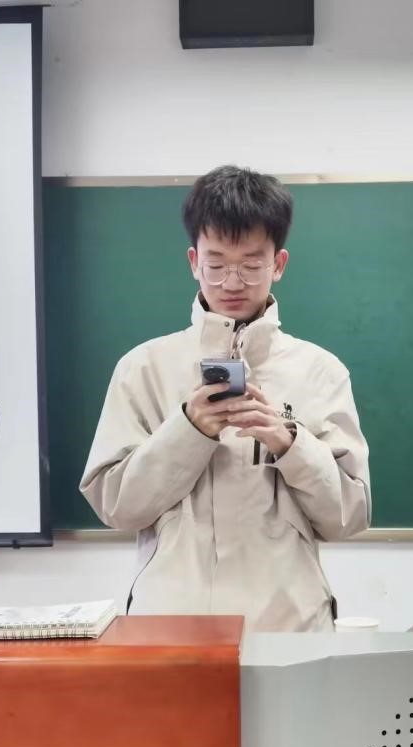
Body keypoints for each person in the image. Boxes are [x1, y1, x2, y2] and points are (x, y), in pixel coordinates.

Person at [80, 165, 371, 632]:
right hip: (171, 628)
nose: (232, 282)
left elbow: (348, 517)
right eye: (216, 265)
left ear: (278, 264)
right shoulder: (143, 368)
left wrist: (289, 443)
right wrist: (187, 429)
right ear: (193, 261)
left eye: (252, 264)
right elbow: (117, 508)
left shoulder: (320, 371)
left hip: (289, 627)